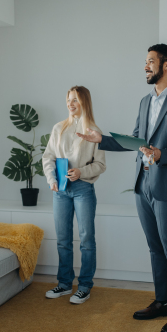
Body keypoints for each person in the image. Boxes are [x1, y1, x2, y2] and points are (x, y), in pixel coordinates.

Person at [77, 44, 167, 332]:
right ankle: (162, 302)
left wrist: (161, 155)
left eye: (150, 62)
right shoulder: (145, 101)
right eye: (145, 62)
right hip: (142, 185)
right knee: (155, 248)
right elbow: (136, 140)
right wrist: (101, 139)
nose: (145, 67)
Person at [42, 86, 106, 304]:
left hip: (82, 189)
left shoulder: (94, 132)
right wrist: (52, 180)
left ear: (84, 103)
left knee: (87, 239)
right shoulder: (58, 128)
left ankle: (85, 286)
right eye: (69, 100)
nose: (71, 104)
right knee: (63, 240)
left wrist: (81, 172)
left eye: (76, 100)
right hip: (60, 190)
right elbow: (48, 157)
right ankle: (64, 283)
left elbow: (100, 165)